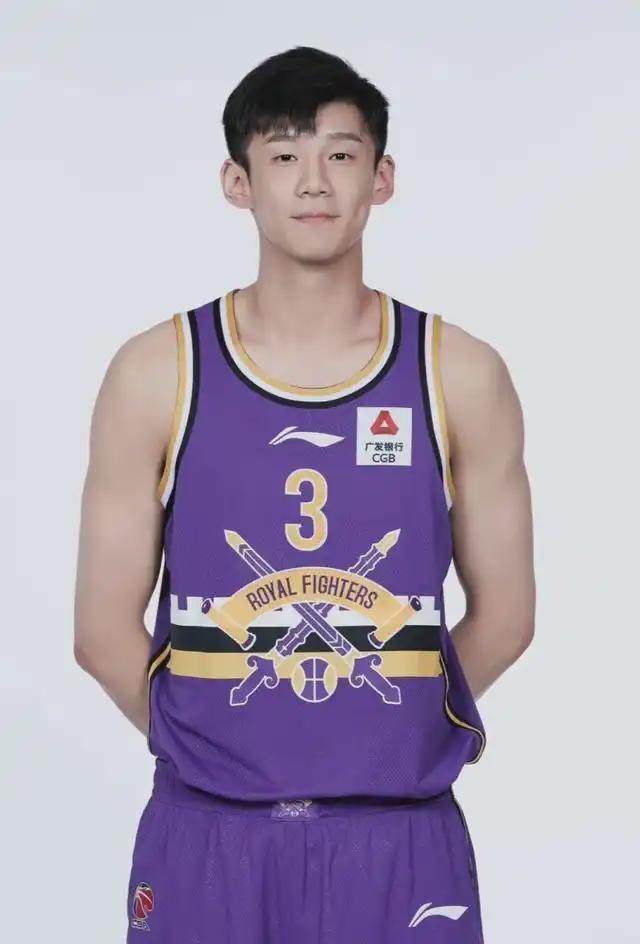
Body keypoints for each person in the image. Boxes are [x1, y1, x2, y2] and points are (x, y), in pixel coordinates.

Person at [74, 44, 535, 943]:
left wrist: (386, 739)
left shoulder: (460, 374)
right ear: (237, 181)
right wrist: (213, 751)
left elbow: (508, 616)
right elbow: (100, 630)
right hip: (208, 834)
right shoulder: (156, 373)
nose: (314, 180)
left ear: (382, 178)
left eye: (341, 153)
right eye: (284, 154)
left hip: (400, 841)